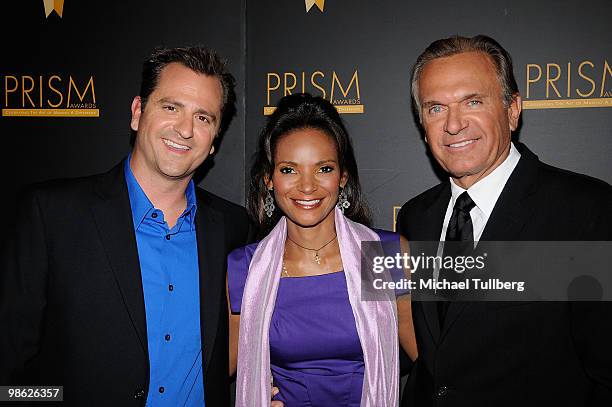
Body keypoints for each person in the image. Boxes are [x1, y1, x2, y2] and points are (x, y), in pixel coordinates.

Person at [0, 46, 251, 406]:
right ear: (137, 112)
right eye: (171, 107)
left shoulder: (231, 226)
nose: (184, 129)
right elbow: (9, 367)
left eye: (203, 118)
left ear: (215, 140)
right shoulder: (51, 215)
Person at [397, 35, 612, 406]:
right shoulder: (414, 217)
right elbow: (395, 343)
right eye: (435, 108)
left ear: (513, 109)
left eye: (473, 102)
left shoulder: (588, 211)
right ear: (422, 122)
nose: (453, 124)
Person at [227, 93, 417, 406]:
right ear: (269, 180)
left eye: (323, 169)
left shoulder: (384, 254)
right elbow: (206, 375)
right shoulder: (245, 268)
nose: (306, 186)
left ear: (343, 177)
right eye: (289, 169)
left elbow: (436, 370)